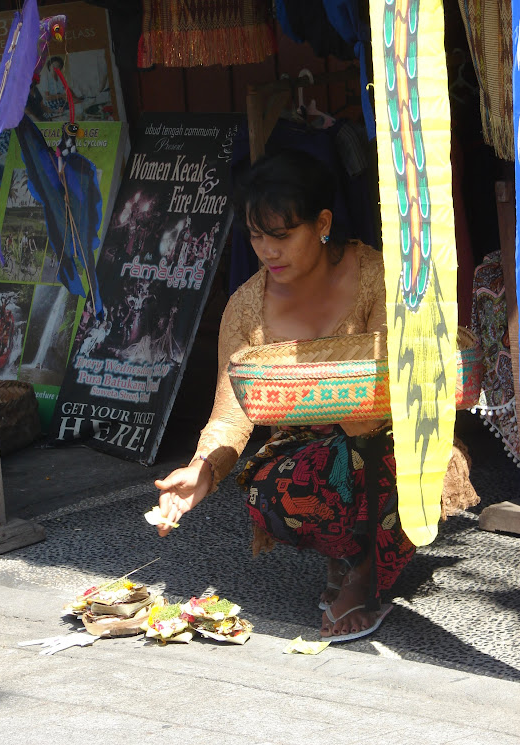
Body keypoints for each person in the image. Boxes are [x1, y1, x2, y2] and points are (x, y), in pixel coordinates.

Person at [153, 150, 478, 643]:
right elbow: (232, 409)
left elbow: (395, 384)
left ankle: (365, 575)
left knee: (393, 464)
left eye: (281, 235)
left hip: (391, 436)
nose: (267, 250)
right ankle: (345, 555)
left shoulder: (377, 276)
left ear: (322, 223)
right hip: (306, 448)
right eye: (256, 236)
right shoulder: (244, 308)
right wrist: (202, 470)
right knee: (281, 487)